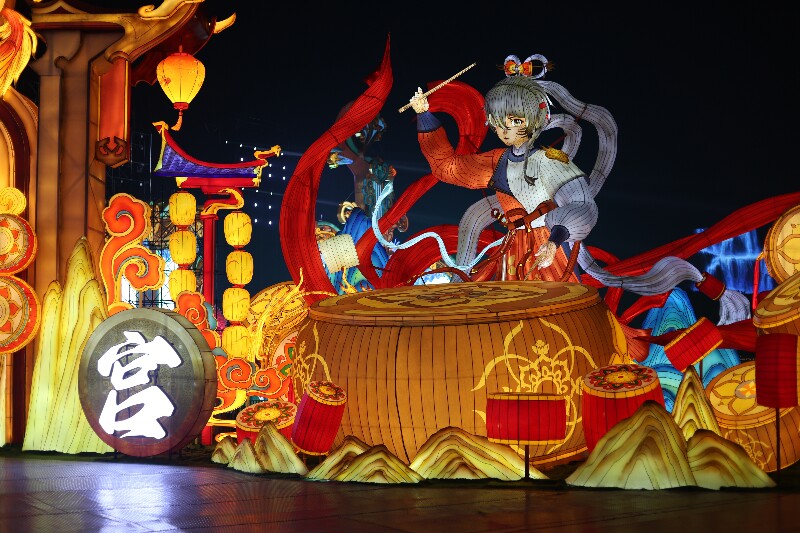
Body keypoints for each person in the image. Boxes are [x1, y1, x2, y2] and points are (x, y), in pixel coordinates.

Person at [409, 62, 597, 281]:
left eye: (516, 121)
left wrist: (555, 240)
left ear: (535, 120)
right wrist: (425, 116)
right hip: (513, 250)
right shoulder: (496, 161)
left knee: (555, 301)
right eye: (499, 121)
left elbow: (582, 205)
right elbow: (447, 168)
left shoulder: (550, 161)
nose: (506, 129)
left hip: (547, 251)